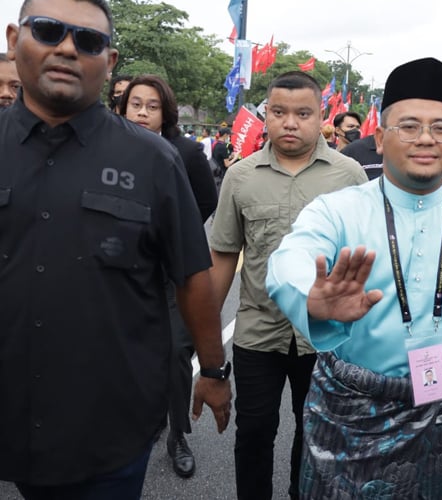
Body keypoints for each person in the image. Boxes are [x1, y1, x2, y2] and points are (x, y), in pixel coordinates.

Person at [0, 1, 231, 498]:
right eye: (48, 30)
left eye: (87, 40)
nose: (66, 47)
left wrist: (212, 370)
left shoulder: (155, 160)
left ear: (109, 61)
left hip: (108, 424)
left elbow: (193, 273)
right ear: (14, 38)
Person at [266, 57, 442, 499]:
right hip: (347, 408)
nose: (426, 140)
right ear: (379, 138)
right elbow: (288, 260)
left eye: (441, 128)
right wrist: (312, 300)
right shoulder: (338, 210)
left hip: (438, 411)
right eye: (409, 126)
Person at [209, 70, 367, 500]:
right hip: (258, 334)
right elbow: (223, 255)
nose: (290, 123)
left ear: (322, 118)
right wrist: (204, 345)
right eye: (279, 112)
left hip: (326, 338)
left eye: (303, 113)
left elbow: (367, 257)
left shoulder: (349, 175)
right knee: (254, 433)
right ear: (267, 116)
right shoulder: (241, 177)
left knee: (315, 433)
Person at [120, 74, 218, 479]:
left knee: (177, 353)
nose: (142, 112)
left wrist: (175, 233)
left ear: (167, 113)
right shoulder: (107, 147)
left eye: (152, 106)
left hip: (173, 273)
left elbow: (206, 199)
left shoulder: (186, 151)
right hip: (124, 273)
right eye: (135, 104)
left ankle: (179, 433)